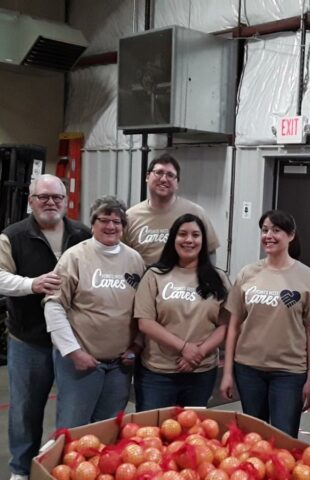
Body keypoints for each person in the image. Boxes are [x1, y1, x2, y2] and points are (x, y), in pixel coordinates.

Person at [0, 174, 90, 480]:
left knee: (72, 410)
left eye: (57, 198)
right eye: (43, 197)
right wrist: (32, 284)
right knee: (25, 410)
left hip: (72, 340)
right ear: (30, 201)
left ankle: (63, 467)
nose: (50, 203)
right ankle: (21, 470)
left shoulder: (82, 233)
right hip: (29, 339)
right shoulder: (13, 235)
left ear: (66, 201)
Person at [220, 210, 310, 438]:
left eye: (276, 230)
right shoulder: (247, 273)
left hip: (289, 373)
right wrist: (228, 371)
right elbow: (234, 326)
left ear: (291, 236)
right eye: (265, 230)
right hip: (248, 369)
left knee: (284, 438)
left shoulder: (307, 277)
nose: (269, 235)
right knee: (254, 437)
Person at [44, 196, 144, 429]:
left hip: (119, 366)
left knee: (109, 428)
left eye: (117, 221)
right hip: (81, 363)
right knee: (73, 427)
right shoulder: (75, 257)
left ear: (124, 227)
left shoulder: (134, 260)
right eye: (104, 220)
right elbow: (54, 305)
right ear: (92, 224)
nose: (111, 226)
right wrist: (73, 352)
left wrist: (136, 347)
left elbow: (144, 310)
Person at [134, 213, 229, 410]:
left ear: (203, 241)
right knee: (151, 434)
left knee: (194, 435)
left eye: (195, 235)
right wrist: (184, 348)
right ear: (173, 239)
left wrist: (199, 353)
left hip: (201, 372)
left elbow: (226, 324)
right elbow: (145, 322)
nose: (189, 240)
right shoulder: (154, 275)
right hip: (158, 373)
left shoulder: (217, 277)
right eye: (182, 234)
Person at [124, 153, 220, 266]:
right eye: (158, 173)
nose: (164, 179)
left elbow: (210, 252)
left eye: (170, 175)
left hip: (185, 282)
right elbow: (121, 255)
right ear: (147, 177)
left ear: (177, 183)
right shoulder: (130, 217)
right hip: (145, 282)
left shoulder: (195, 213)